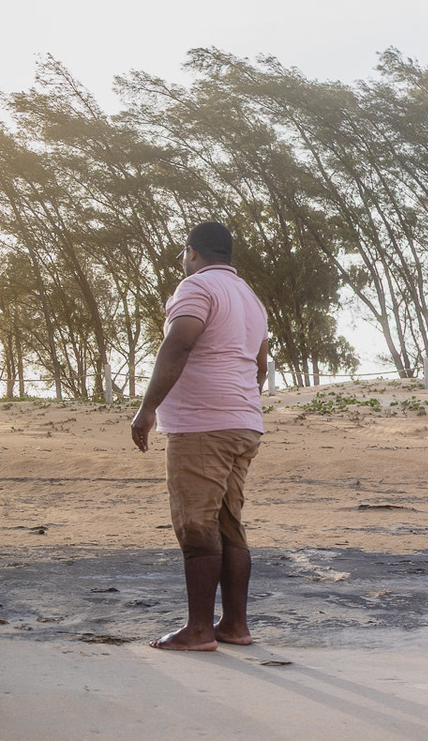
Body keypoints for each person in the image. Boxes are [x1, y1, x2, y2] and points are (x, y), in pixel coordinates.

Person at [130, 221, 269, 652]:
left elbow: (178, 345)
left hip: (201, 426)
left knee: (196, 527)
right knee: (229, 523)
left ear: (192, 252)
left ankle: (198, 629)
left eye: (182, 256)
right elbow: (261, 365)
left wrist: (147, 408)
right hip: (243, 422)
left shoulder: (197, 288)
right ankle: (234, 625)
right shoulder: (250, 298)